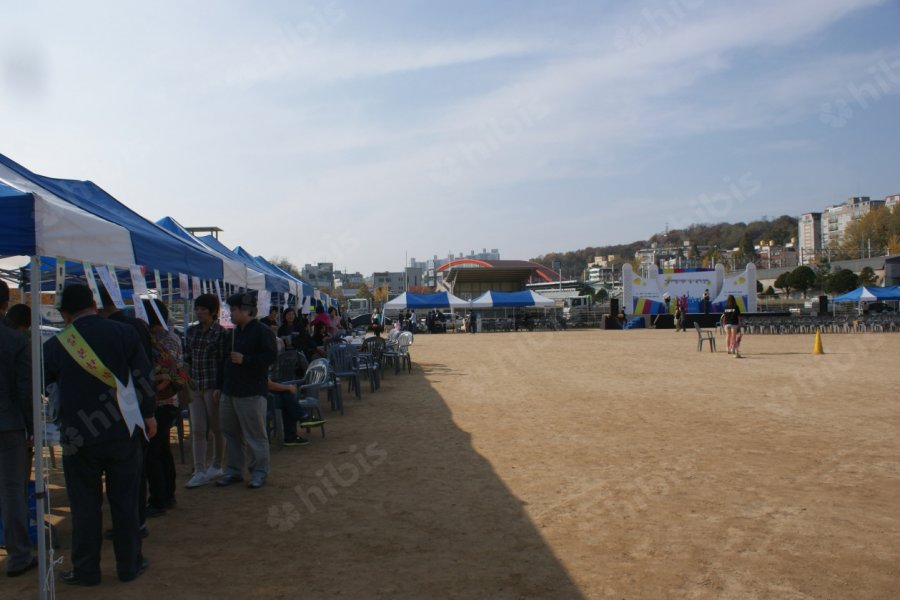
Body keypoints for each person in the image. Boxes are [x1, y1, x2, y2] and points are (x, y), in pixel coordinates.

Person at [44, 285, 156, 586]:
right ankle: (129, 564)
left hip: (77, 436)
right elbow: (144, 376)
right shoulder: (124, 333)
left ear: (65, 313)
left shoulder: (58, 343)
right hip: (123, 429)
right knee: (125, 500)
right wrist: (148, 414)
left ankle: (86, 570)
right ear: (94, 304)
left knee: (84, 505)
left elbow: (42, 380)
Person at [217, 293, 277, 489]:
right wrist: (221, 386)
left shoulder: (262, 331)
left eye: (233, 310)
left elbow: (270, 357)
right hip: (230, 390)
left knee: (255, 435)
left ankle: (259, 471)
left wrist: (246, 360)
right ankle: (234, 471)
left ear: (246, 310)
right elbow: (224, 361)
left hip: (251, 392)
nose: (230, 314)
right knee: (231, 434)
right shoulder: (233, 333)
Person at [0, 281, 36, 577]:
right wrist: (32, 425)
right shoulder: (15, 340)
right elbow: (25, 390)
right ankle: (18, 556)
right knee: (13, 491)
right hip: (9, 424)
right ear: (5, 305)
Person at [142, 298, 183, 518]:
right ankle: (168, 495)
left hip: (161, 402)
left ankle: (159, 499)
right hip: (166, 402)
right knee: (162, 451)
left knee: (154, 453)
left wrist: (153, 381)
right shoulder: (171, 337)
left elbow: (169, 374)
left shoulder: (164, 339)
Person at [184, 294, 229, 488]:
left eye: (203, 308)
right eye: (197, 308)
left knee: (217, 427)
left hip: (212, 386)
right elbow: (188, 357)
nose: (199, 312)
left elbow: (223, 362)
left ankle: (217, 464)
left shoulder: (220, 333)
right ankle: (199, 469)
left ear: (212, 311)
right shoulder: (191, 331)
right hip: (195, 386)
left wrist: (220, 387)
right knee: (198, 429)